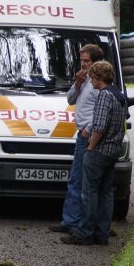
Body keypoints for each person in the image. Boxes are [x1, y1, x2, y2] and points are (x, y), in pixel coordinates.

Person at [61, 61, 127, 246]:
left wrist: (90, 147)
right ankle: (102, 233)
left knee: (88, 192)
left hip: (99, 150)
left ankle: (84, 233)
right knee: (106, 193)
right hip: (113, 150)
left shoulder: (104, 95)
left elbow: (99, 126)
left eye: (92, 77)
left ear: (98, 77)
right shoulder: (118, 95)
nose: (91, 81)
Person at [50, 43, 104, 234]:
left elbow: (102, 110)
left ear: (96, 62)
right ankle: (70, 221)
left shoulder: (99, 82)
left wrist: (87, 130)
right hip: (81, 134)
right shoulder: (84, 79)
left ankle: (75, 223)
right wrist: (77, 83)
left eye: (86, 61)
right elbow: (70, 100)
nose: (82, 64)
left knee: (81, 181)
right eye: (81, 60)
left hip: (88, 135)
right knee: (75, 180)